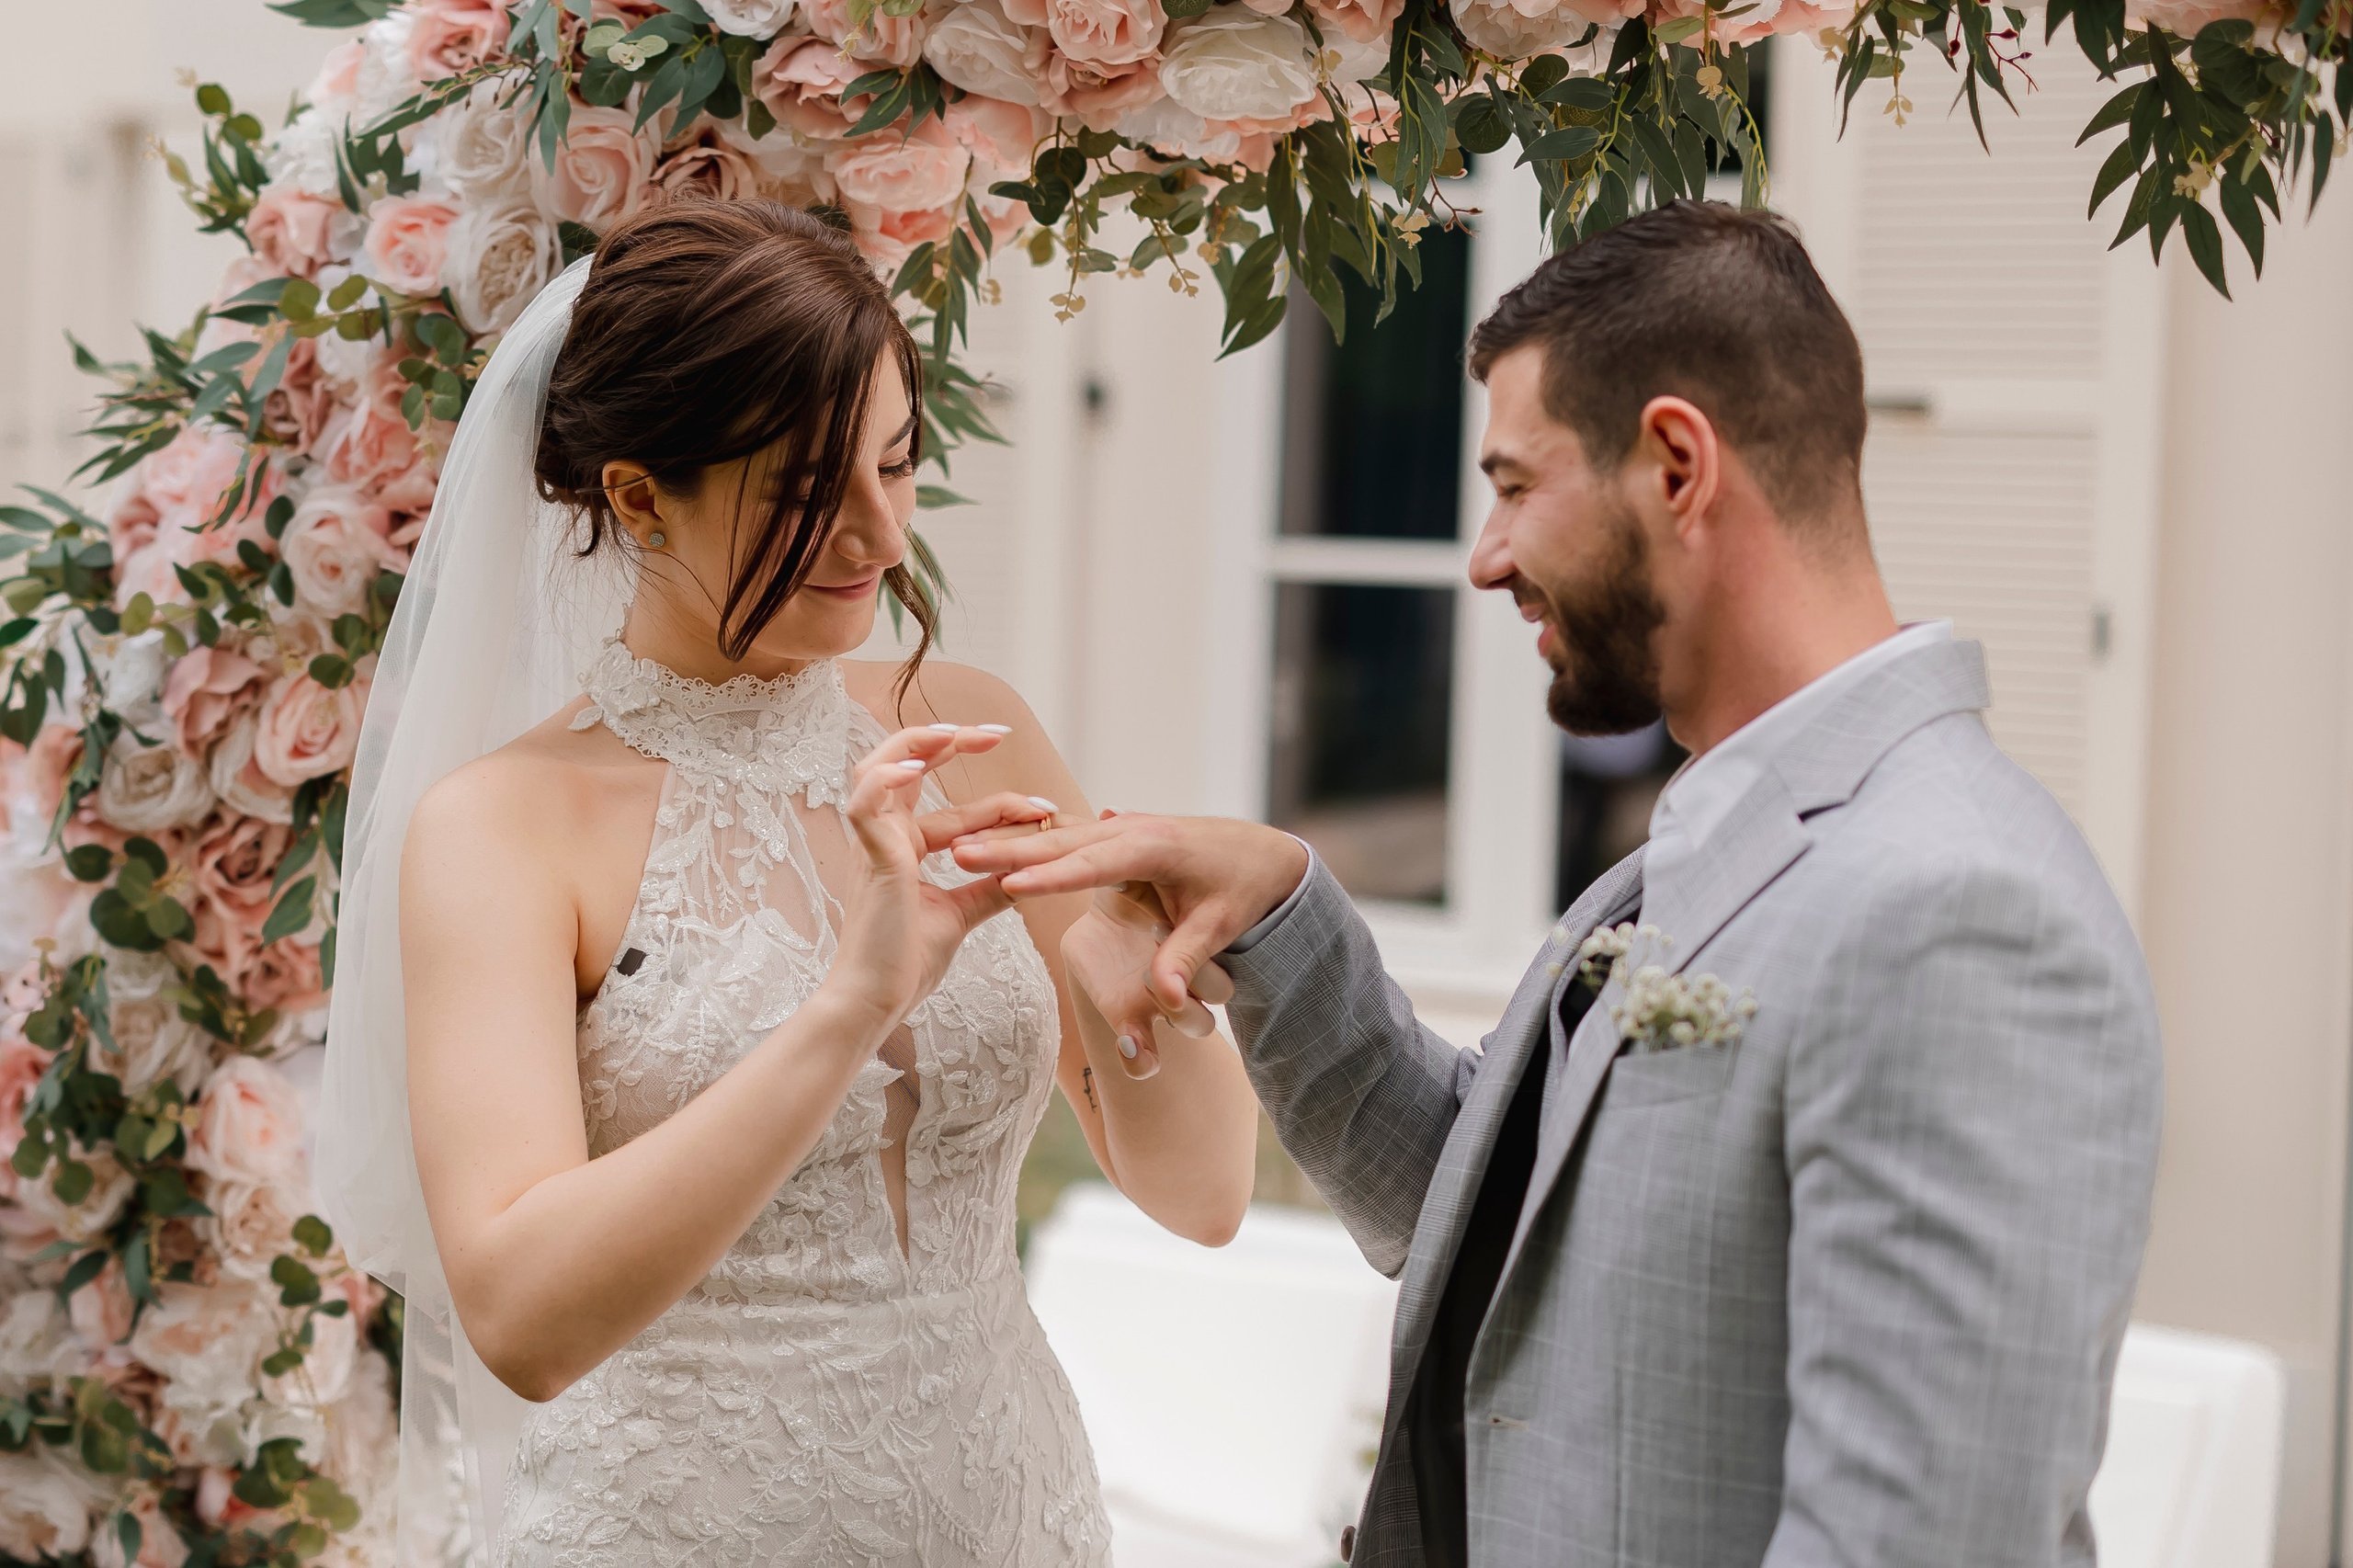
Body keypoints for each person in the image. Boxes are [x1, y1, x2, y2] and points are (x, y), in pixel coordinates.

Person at [956, 201, 2164, 1568]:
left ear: (1674, 463)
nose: (1482, 555)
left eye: (1517, 485)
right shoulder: (1704, 848)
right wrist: (1285, 910)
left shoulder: (1959, 913)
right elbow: (1482, 1216)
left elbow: (1919, 1543)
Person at [314, 200, 1260, 1567]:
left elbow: (1208, 1196)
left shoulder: (969, 721)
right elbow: (521, 1319)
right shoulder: (502, 825)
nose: (879, 536)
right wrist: (855, 1000)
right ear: (639, 494)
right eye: (809, 489)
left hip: (1010, 1510)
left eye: (898, 463)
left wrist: (1152, 980)